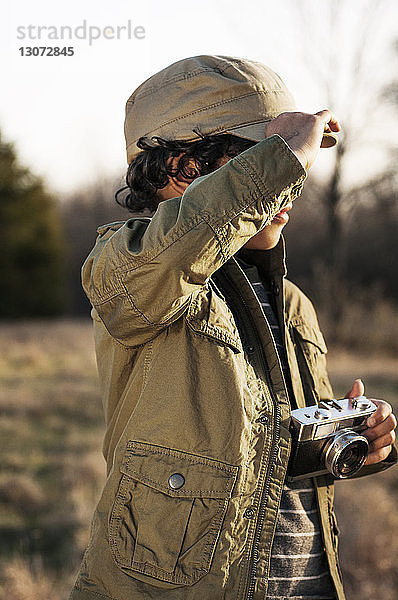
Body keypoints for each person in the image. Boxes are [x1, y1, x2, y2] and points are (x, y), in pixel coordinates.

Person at [70, 56, 397, 600]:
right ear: (182, 167)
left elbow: (268, 456)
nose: (290, 185)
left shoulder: (291, 302)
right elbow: (169, 258)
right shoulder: (128, 266)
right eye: (262, 161)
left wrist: (350, 442)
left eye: (292, 165)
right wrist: (284, 155)